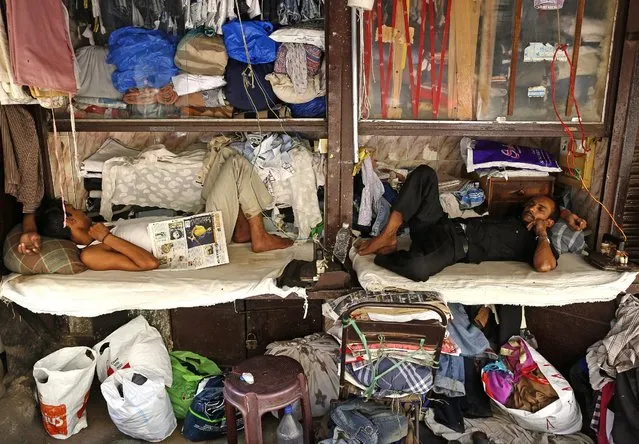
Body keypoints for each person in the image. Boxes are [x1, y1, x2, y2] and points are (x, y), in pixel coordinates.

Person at [35, 147, 293, 271]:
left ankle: (242, 230)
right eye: (72, 209)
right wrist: (106, 237)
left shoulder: (97, 227)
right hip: (201, 241)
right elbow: (148, 263)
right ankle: (258, 235)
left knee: (224, 155)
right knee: (235, 163)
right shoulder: (90, 254)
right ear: (68, 221)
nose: (79, 209)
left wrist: (104, 232)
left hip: (195, 225)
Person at [357, 165, 587, 282]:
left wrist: (542, 231)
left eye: (539, 209)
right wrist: (566, 214)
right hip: (440, 224)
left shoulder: (539, 244)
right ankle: (388, 234)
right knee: (425, 174)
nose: (530, 208)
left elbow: (544, 266)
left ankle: (386, 253)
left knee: (418, 269)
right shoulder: (514, 215)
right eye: (531, 204)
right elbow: (558, 202)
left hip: (454, 245)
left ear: (547, 221)